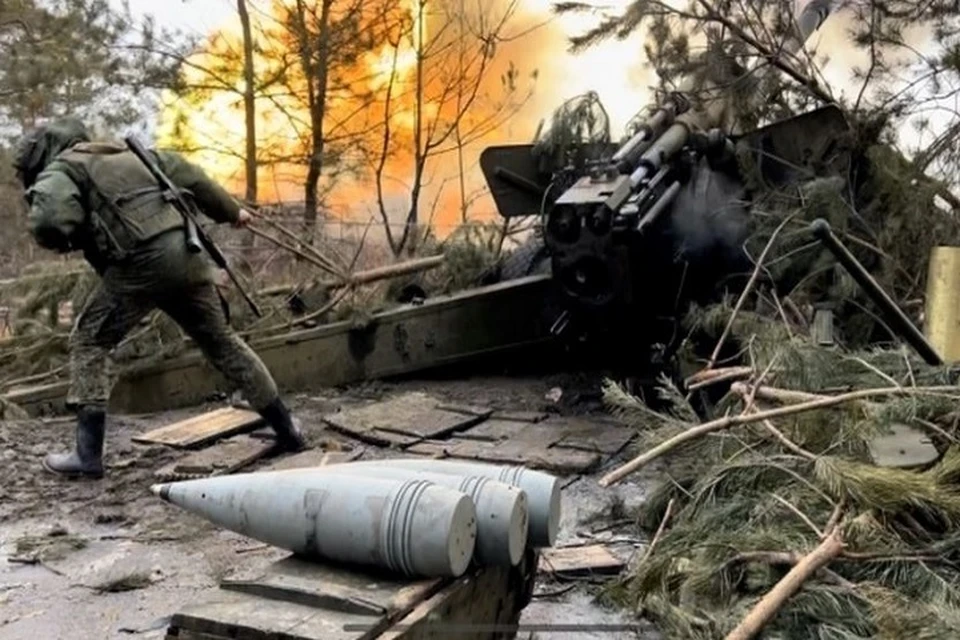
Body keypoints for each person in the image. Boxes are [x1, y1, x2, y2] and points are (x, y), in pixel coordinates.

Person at [13, 118, 307, 479]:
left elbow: (50, 222)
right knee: (222, 342)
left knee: (89, 340)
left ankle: (86, 456)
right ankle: (287, 430)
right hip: (188, 256)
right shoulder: (132, 155)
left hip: (140, 265)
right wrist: (232, 212)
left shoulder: (62, 169)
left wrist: (69, 240)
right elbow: (192, 176)